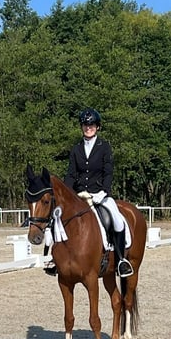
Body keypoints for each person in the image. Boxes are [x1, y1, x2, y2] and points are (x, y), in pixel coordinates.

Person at [64, 107, 133, 277]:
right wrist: (67, 194)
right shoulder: (76, 149)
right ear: (82, 127)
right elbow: (71, 174)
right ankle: (55, 258)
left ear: (97, 127)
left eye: (92, 125)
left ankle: (120, 260)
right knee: (58, 218)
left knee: (117, 220)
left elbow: (108, 172)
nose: (89, 128)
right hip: (80, 195)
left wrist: (104, 191)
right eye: (86, 125)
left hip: (100, 194)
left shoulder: (104, 147)